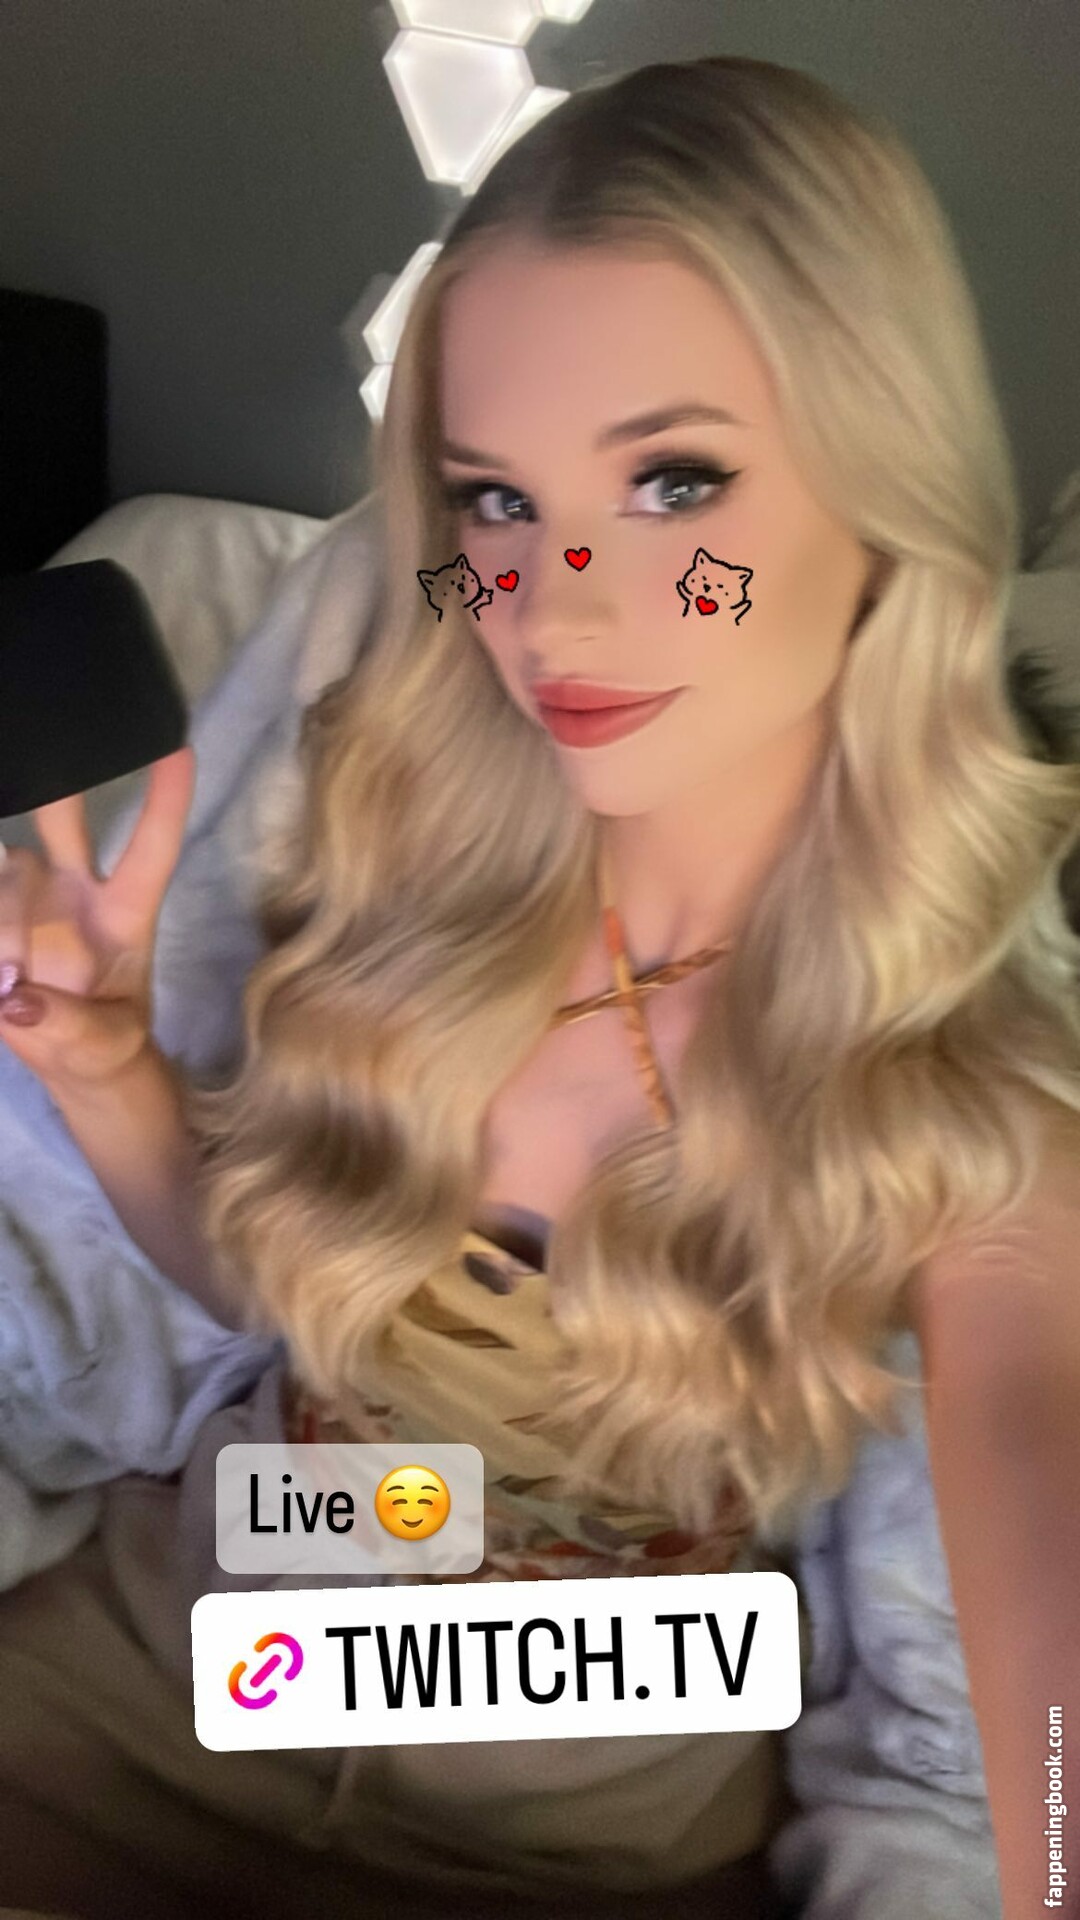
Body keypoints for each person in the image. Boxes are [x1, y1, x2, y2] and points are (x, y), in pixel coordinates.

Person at [0, 53, 1077, 1920]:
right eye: (495, 499)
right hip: (167, 1681)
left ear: (885, 487)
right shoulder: (405, 854)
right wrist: (99, 1064)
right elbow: (264, 1292)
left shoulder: (960, 1087)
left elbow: (1027, 1679)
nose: (553, 606)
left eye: (675, 483)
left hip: (578, 1848)